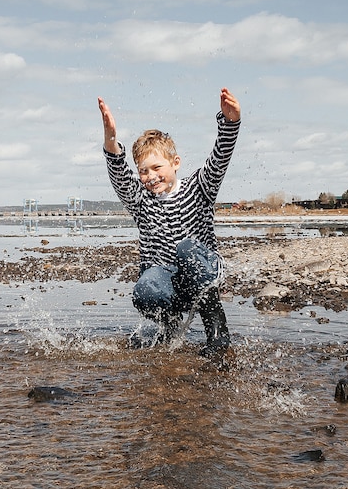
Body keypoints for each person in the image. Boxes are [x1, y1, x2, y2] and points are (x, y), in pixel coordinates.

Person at [98, 87, 241, 356]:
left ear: (175, 163)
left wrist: (230, 123)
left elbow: (220, 159)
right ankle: (170, 328)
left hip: (204, 273)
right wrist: (111, 140)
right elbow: (119, 175)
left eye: (156, 168)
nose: (150, 176)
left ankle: (216, 331)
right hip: (170, 284)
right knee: (144, 288)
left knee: (186, 249)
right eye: (143, 171)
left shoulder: (200, 187)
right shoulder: (140, 200)